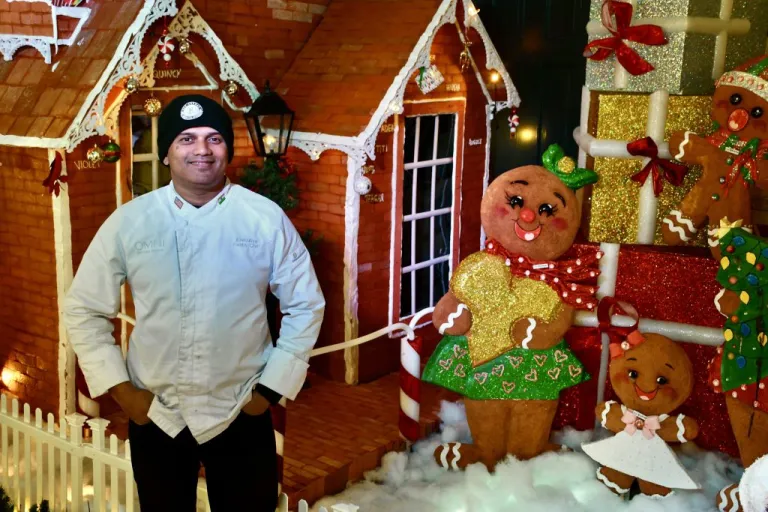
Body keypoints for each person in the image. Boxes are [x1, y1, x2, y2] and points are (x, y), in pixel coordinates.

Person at [63, 94, 325, 511]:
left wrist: (270, 390)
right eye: (186, 139)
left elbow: (306, 305)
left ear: (227, 149)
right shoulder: (131, 222)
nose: (201, 150)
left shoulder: (264, 218)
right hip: (158, 414)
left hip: (240, 409)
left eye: (214, 138)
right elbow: (84, 308)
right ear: (167, 152)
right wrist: (124, 394)